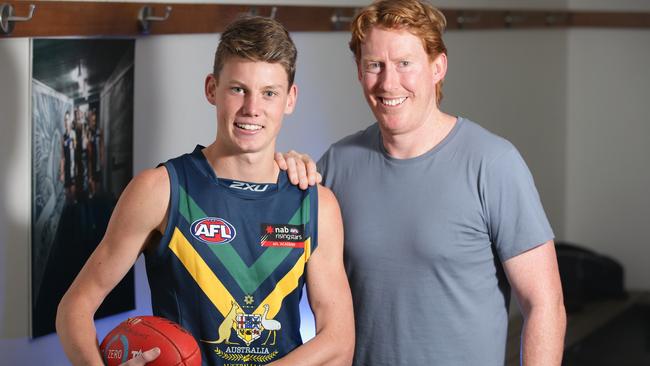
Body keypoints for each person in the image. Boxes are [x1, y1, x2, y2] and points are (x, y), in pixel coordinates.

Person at [276, 0, 566, 365]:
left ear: (437, 66)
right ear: (359, 71)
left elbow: (545, 304)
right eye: (374, 65)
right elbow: (275, 263)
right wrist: (283, 174)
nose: (388, 82)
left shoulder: (492, 163)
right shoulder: (337, 163)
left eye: (404, 64)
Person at [56, 15, 354, 366]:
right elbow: (74, 308)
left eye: (269, 93)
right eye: (238, 89)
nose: (251, 109)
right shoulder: (160, 190)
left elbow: (339, 342)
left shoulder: (315, 203)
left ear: (290, 99)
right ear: (212, 89)